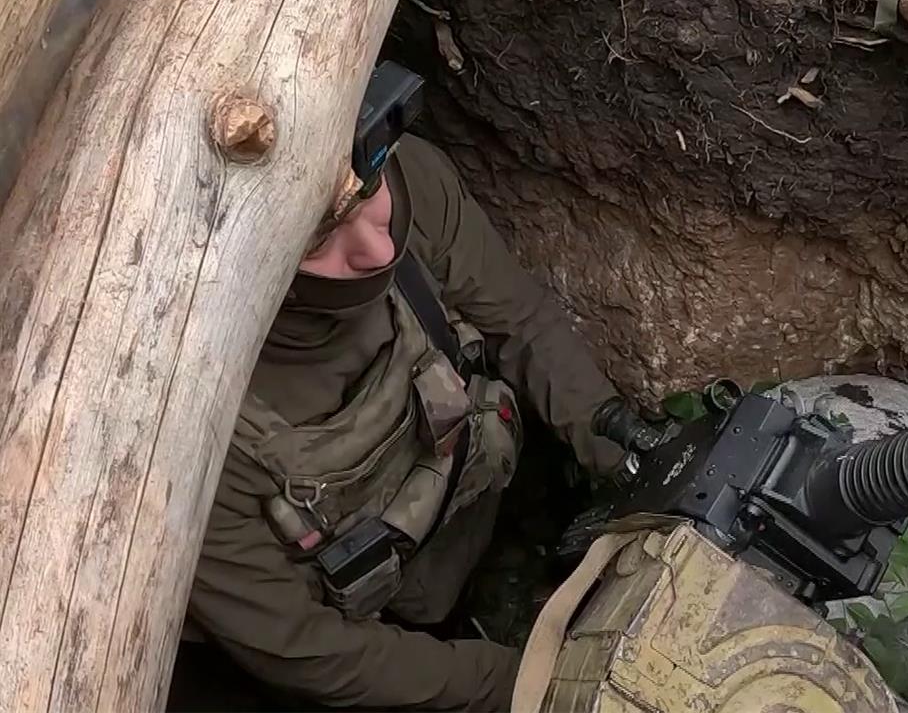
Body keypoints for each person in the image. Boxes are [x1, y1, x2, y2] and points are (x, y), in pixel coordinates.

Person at [185, 70, 626, 710]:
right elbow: (309, 650)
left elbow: (523, 325)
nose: (376, 248)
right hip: (367, 636)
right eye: (316, 239)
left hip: (469, 521)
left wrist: (630, 455)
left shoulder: (402, 176)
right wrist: (521, 683)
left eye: (366, 193)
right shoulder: (189, 438)